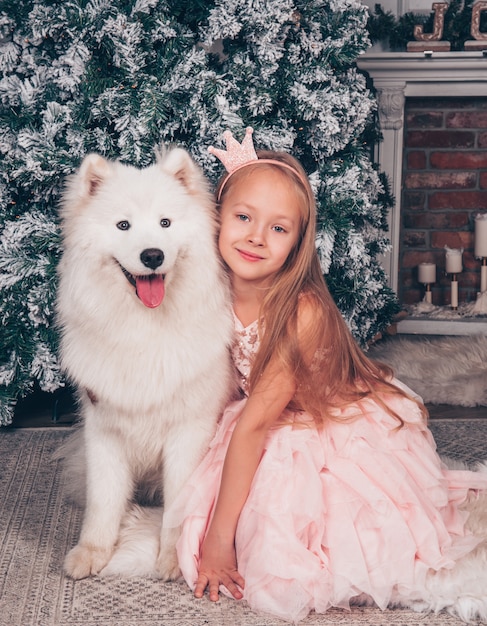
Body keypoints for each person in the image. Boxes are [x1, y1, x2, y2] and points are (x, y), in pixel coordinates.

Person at [163, 128, 487, 622]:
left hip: (326, 420)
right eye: (244, 217)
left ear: (297, 243)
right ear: (216, 219)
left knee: (314, 525)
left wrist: (218, 541)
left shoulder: (302, 311)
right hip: (257, 412)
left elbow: (253, 426)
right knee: (213, 468)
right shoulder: (208, 288)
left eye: (278, 228)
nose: (254, 236)